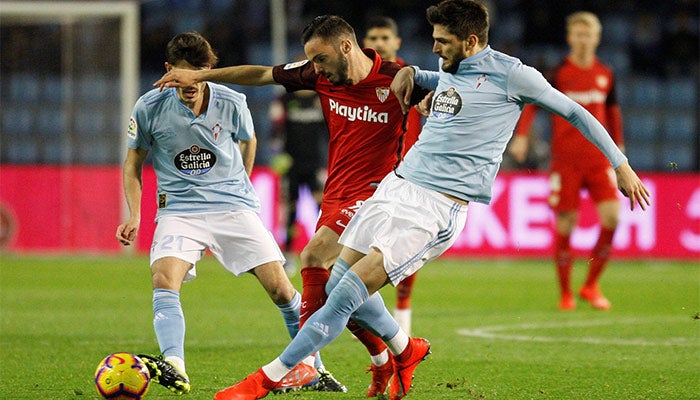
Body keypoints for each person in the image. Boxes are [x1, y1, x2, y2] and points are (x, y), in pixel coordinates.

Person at [210, 1, 651, 399]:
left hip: (438, 206)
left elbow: (576, 112)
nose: (436, 48)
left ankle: (263, 381)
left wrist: (621, 164)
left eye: (443, 42)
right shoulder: (452, 70)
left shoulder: (515, 76)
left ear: (471, 41)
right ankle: (406, 350)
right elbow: (444, 79)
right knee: (335, 283)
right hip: (396, 187)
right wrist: (414, 74)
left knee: (343, 295)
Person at [154, 15, 430, 397]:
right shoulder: (317, 76)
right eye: (311, 60)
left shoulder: (398, 80)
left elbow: (451, 95)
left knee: (313, 256)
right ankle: (396, 352)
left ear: (345, 47)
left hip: (378, 193)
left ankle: (300, 365)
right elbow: (260, 74)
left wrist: (429, 95)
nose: (315, 68)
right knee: (339, 285)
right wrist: (202, 77)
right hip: (336, 191)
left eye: (320, 59)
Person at [115, 31, 315, 395]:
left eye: (199, 73)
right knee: (163, 278)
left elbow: (248, 139)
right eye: (183, 73)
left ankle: (313, 366)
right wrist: (135, 216)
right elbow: (133, 164)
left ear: (209, 70)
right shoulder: (149, 106)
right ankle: (174, 364)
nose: (190, 82)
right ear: (168, 69)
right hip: (179, 211)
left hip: (232, 206)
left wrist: (243, 184)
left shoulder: (232, 100)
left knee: (282, 290)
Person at [508, 11, 624, 311]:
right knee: (566, 224)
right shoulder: (559, 72)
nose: (583, 40)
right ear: (570, 38)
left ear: (597, 38)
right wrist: (522, 135)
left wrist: (619, 150)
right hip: (566, 161)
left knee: (612, 218)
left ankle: (591, 285)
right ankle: (565, 293)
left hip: (598, 160)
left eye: (589, 34)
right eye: (578, 34)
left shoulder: (606, 74)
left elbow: (612, 111)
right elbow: (533, 103)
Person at [363, 16, 422, 336]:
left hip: (406, 176)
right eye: (373, 36)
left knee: (405, 248)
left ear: (397, 42)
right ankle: (374, 324)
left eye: (386, 36)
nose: (380, 42)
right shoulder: (357, 79)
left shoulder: (413, 78)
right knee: (357, 253)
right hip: (364, 177)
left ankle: (402, 313)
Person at [268, 81, 328, 267]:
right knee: (291, 208)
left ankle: (326, 251)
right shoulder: (285, 100)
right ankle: (288, 254)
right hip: (291, 163)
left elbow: (331, 132)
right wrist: (277, 153)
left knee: (323, 207)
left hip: (316, 163)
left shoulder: (322, 100)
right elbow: (275, 131)